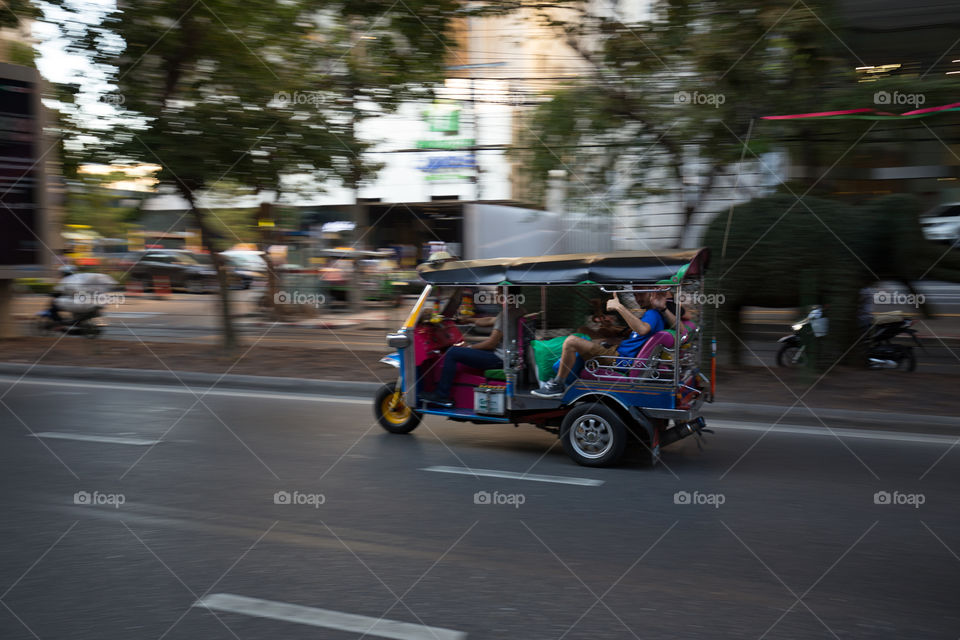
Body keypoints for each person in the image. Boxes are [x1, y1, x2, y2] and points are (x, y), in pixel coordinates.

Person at [533, 291, 666, 398]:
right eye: (635, 295)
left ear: (652, 294)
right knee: (585, 332)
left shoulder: (652, 313)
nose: (637, 298)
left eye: (641, 294)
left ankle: (558, 384)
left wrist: (619, 306)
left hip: (620, 360)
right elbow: (635, 336)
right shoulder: (650, 315)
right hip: (619, 353)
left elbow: (642, 329)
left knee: (571, 342)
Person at [420, 288, 525, 407]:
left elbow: (491, 343)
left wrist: (469, 347)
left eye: (499, 293)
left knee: (452, 352)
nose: (497, 295)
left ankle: (442, 395)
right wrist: (467, 320)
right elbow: (490, 320)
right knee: (462, 350)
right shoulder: (518, 310)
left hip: (499, 359)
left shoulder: (506, 315)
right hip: (510, 357)